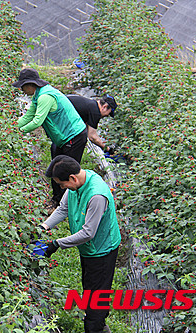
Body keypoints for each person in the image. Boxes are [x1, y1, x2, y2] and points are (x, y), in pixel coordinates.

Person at [37, 155, 121, 333]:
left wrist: (56, 244)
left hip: (102, 250)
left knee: (96, 297)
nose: (61, 188)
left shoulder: (97, 195)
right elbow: (63, 209)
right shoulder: (77, 184)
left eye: (62, 184)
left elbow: (88, 233)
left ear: (72, 178)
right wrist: (43, 227)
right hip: (89, 250)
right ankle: (97, 322)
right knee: (90, 288)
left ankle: (96, 327)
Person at [12, 68, 87, 207]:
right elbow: (28, 116)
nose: (21, 90)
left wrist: (20, 131)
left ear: (30, 84)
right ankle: (57, 200)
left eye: (22, 86)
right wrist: (11, 128)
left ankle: (68, 204)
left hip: (73, 136)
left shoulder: (45, 97)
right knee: (55, 167)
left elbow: (37, 121)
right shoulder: (38, 96)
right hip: (62, 138)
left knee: (67, 171)